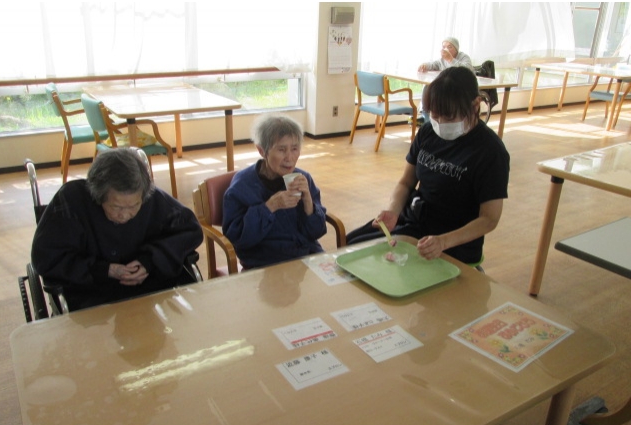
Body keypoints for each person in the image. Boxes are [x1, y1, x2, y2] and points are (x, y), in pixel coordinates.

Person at [346, 67, 510, 265]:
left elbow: (489, 219)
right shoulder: (428, 132)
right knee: (350, 245)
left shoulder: (490, 152)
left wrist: (443, 241)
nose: (439, 123)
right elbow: (406, 182)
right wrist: (393, 211)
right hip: (415, 220)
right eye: (435, 115)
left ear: (475, 105)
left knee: (372, 262)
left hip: (453, 241)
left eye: (448, 117)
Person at [31, 148, 204, 311]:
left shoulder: (151, 197)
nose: (125, 215)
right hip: (90, 296)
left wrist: (150, 261)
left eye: (134, 206)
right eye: (117, 207)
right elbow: (45, 257)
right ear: (98, 196)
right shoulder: (71, 201)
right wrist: (104, 270)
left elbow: (189, 230)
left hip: (149, 291)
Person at [223, 114, 327, 269]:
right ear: (261, 150)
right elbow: (238, 238)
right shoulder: (242, 186)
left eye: (294, 148)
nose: (289, 158)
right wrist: (270, 207)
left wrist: (308, 202)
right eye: (281, 150)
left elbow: (317, 232)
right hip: (266, 263)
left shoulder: (303, 178)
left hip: (306, 257)